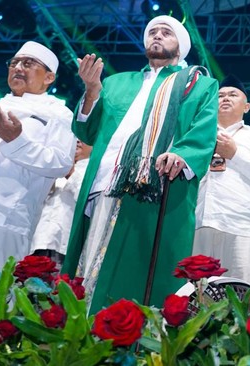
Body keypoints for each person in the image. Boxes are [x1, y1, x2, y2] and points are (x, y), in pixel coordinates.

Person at [62, 15, 218, 313]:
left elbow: (204, 131)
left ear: (181, 46)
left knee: (138, 273)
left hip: (155, 189)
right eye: (152, 32)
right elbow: (87, 132)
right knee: (89, 263)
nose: (157, 36)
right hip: (104, 186)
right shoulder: (116, 82)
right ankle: (82, 338)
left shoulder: (199, 85)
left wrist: (182, 154)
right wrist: (92, 90)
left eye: (166, 32)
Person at [194, 74, 250, 286]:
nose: (225, 98)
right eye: (220, 95)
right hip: (200, 222)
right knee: (197, 295)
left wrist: (235, 154)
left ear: (246, 106)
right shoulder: (197, 136)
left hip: (240, 224)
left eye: (233, 94)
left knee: (239, 296)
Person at [0, 41, 76, 270]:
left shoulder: (58, 114)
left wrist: (16, 141)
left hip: (9, 220)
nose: (18, 68)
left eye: (28, 63)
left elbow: (60, 163)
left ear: (49, 78)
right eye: (14, 63)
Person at [30, 140, 92, 268]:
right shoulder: (54, 166)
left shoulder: (92, 172)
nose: (77, 141)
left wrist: (71, 174)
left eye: (83, 137)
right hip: (35, 244)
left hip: (63, 249)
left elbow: (88, 200)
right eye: (74, 137)